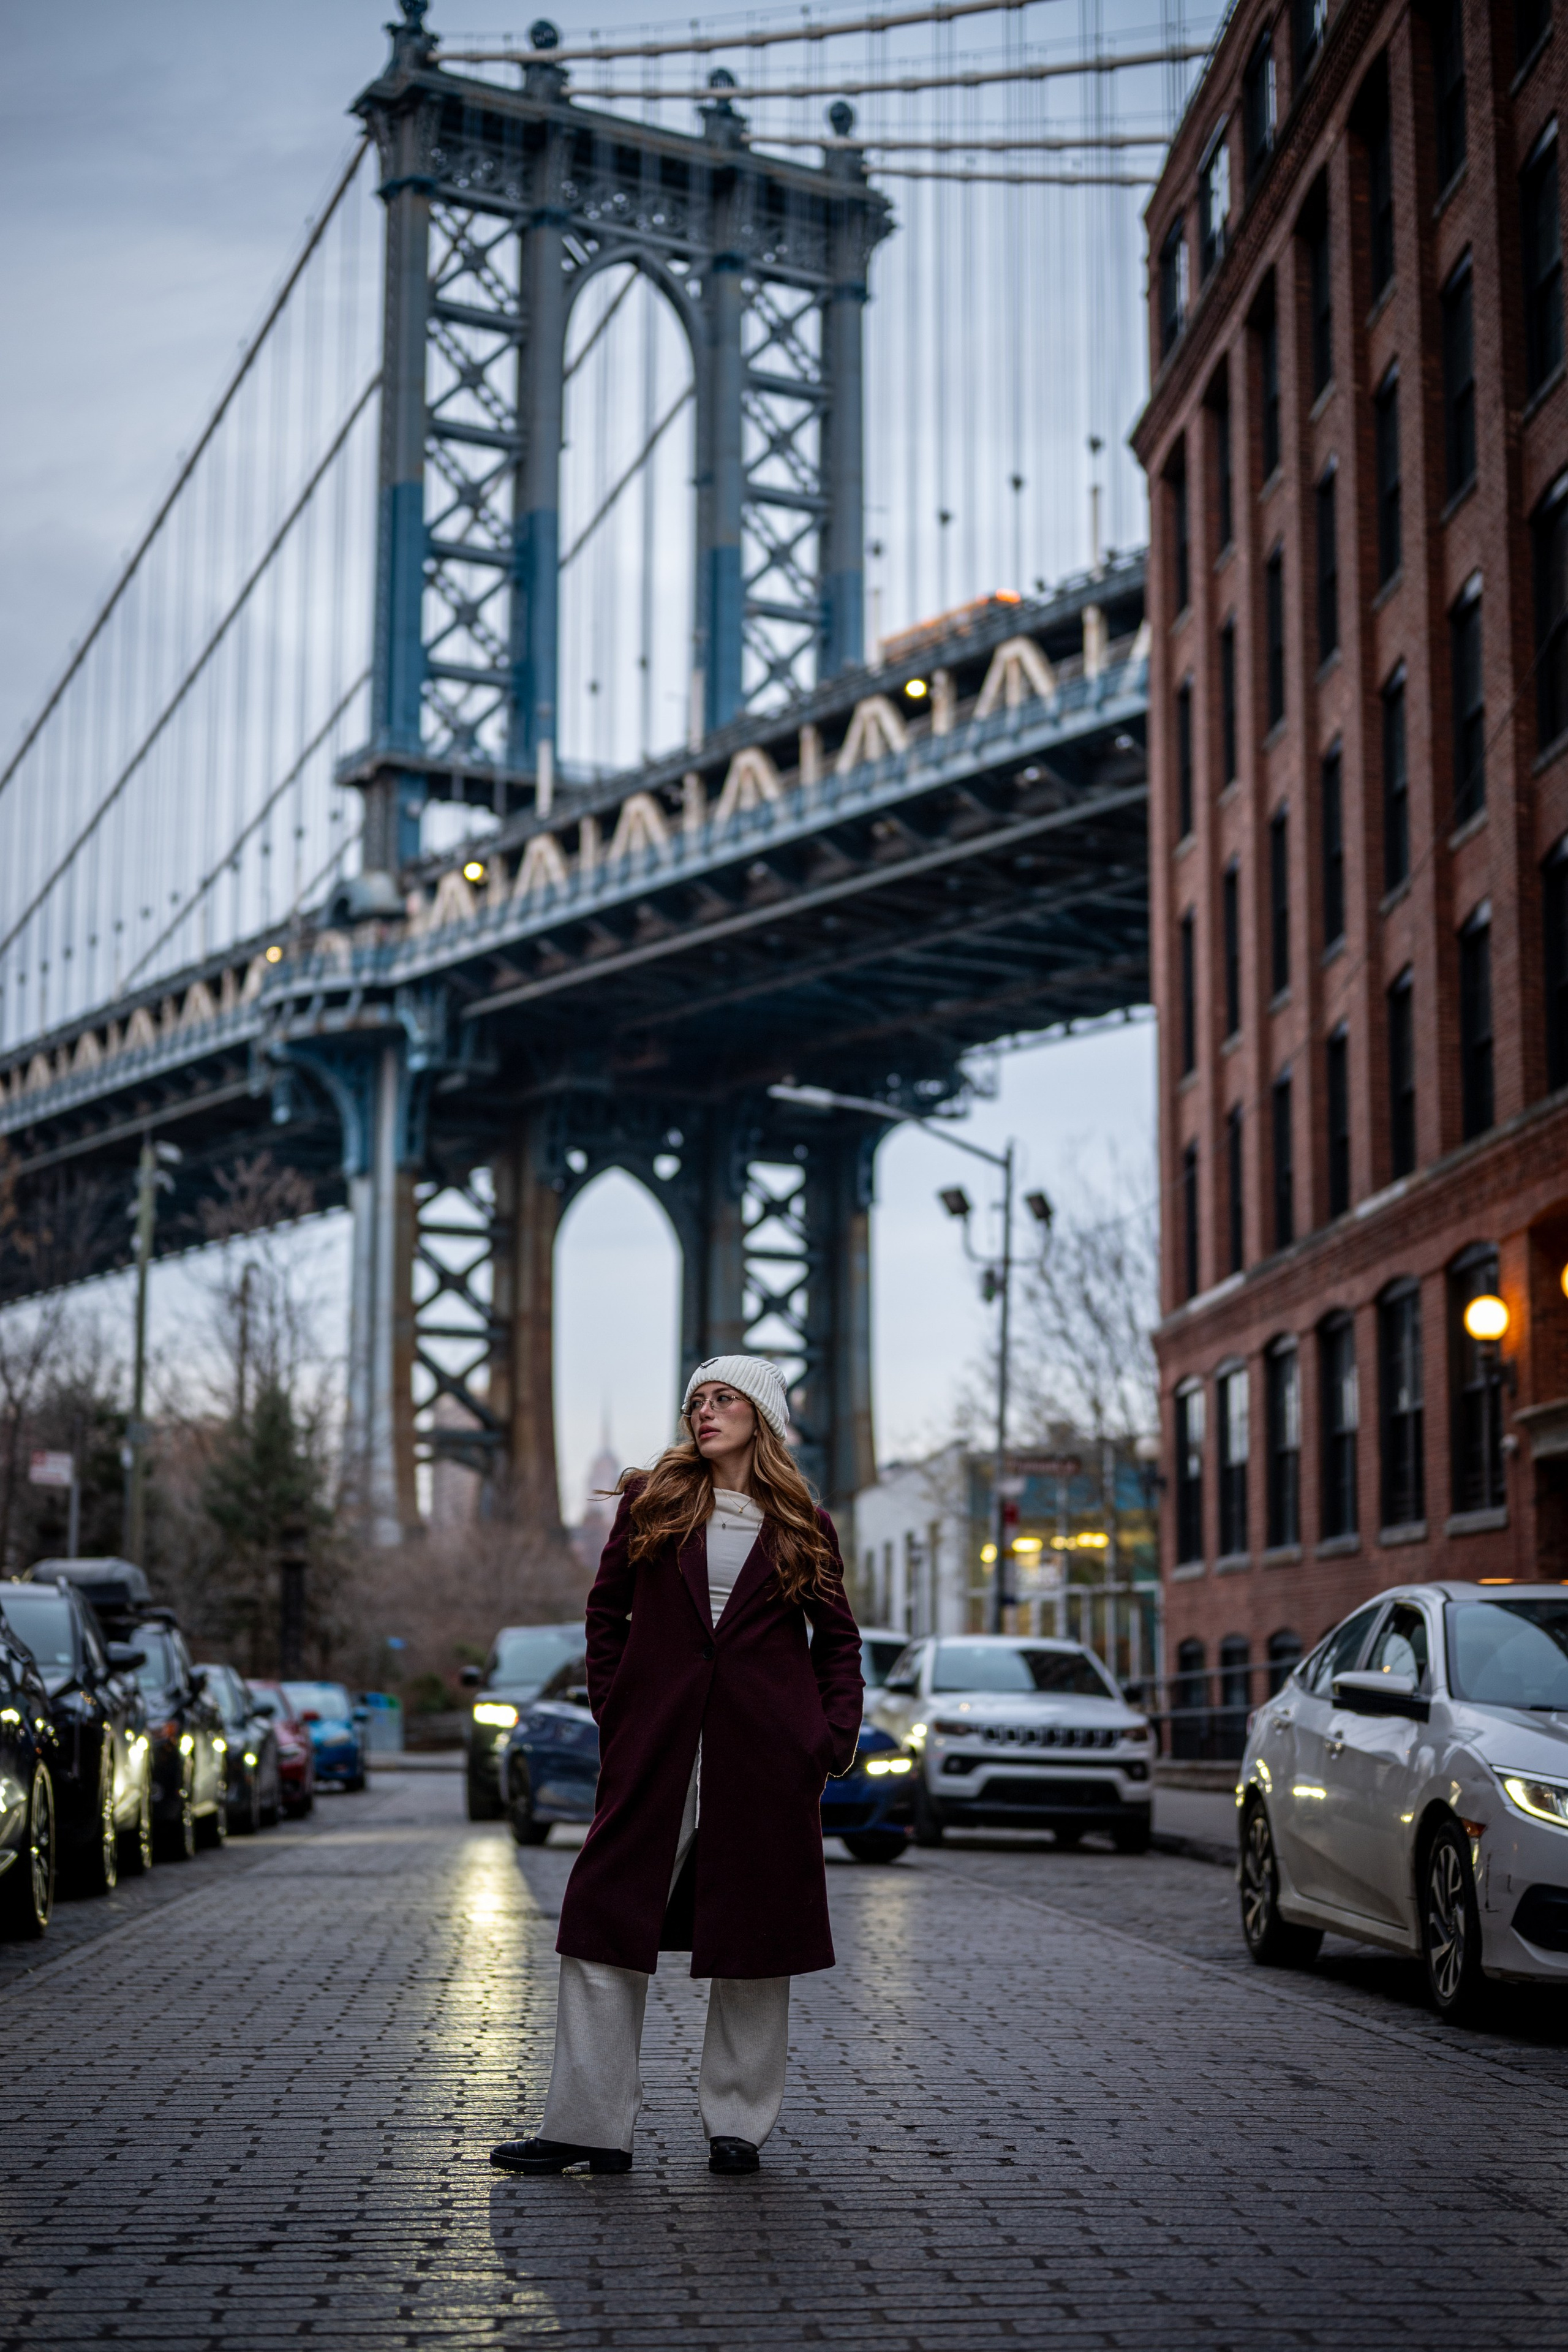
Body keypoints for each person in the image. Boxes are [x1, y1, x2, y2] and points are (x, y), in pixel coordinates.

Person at [490, 1353, 864, 2178]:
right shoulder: (651, 1502)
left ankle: (738, 2124)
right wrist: (617, 1710)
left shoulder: (805, 1521)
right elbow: (605, 1613)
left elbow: (838, 1643)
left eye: (723, 1398)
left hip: (765, 1757)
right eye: (696, 1399)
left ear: (759, 1417)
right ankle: (589, 2126)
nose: (704, 1411)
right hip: (656, 1746)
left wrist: (829, 1737)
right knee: (600, 1920)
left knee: (757, 1939)